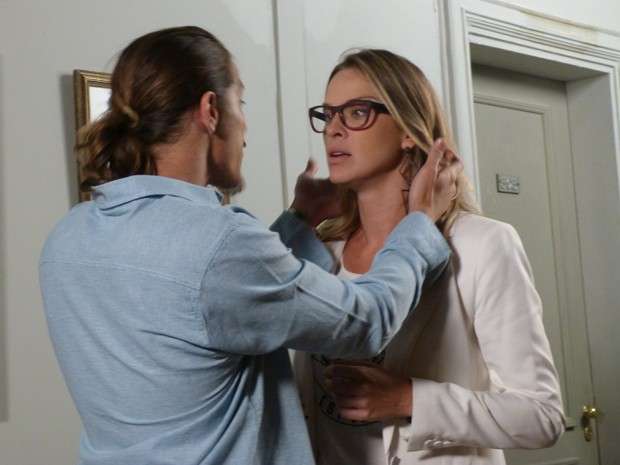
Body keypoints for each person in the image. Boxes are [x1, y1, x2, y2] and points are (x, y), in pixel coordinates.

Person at [38, 28, 461, 465]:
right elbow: (367, 321)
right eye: (240, 103)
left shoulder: (66, 238)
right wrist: (419, 222)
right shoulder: (219, 243)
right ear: (210, 111)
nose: (244, 128)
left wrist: (300, 222)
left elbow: (211, 299)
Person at [294, 48, 565, 465]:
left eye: (356, 112)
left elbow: (541, 416)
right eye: (328, 115)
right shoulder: (320, 252)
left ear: (408, 130)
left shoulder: (481, 245)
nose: (333, 129)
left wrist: (409, 399)